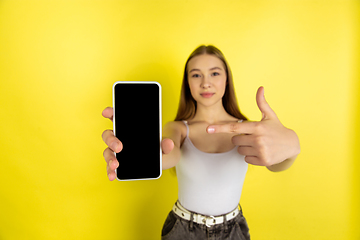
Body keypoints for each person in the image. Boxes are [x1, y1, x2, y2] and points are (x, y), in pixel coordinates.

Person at [101, 45, 300, 240]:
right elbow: (169, 155)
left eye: (214, 73)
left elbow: (275, 164)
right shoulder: (178, 128)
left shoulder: (247, 129)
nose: (205, 83)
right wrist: (138, 148)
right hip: (182, 230)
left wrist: (291, 147)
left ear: (227, 80)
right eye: (196, 75)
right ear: (187, 82)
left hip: (234, 232)